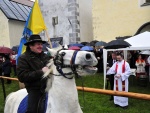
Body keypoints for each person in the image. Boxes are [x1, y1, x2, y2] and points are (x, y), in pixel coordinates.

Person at [17, 35, 50, 113]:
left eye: (41, 44)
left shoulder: (45, 56)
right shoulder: (23, 58)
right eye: (38, 44)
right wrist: (41, 72)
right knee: (32, 110)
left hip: (49, 87)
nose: (41, 46)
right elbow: (22, 76)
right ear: (31, 46)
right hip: (35, 89)